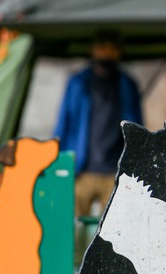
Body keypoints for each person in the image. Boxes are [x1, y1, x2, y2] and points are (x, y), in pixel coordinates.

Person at [54, 31, 143, 218]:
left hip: (116, 172)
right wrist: (59, 162)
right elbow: (64, 122)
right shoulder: (78, 83)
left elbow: (137, 128)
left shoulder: (127, 85)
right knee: (73, 230)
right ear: (93, 50)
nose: (106, 54)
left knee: (113, 233)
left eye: (112, 50)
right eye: (102, 48)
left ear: (119, 52)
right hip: (81, 170)